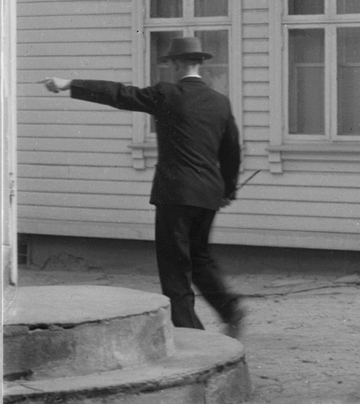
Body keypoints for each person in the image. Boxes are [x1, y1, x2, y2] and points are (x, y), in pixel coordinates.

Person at [43, 37, 245, 336]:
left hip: (175, 194)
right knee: (199, 257)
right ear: (199, 63)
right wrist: (228, 189)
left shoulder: (167, 94)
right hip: (208, 194)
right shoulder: (220, 102)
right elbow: (232, 151)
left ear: (176, 64)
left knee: (175, 266)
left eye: (169, 63)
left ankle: (192, 335)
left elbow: (119, 94)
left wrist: (70, 83)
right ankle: (229, 309)